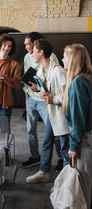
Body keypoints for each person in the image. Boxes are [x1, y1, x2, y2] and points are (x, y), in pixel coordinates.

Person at [26, 38, 70, 183]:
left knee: (64, 150)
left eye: (34, 51)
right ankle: (44, 172)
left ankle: (65, 183)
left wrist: (53, 99)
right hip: (52, 114)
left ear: (41, 52)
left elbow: (67, 96)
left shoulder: (59, 71)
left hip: (62, 117)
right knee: (46, 143)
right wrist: (38, 90)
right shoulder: (39, 72)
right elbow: (46, 91)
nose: (31, 53)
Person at [22, 32, 63, 170]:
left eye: (28, 44)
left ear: (37, 45)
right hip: (32, 99)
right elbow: (28, 75)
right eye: (25, 44)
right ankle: (35, 157)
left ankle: (62, 159)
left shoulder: (52, 60)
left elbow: (52, 79)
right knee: (30, 130)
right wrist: (27, 91)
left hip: (46, 100)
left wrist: (40, 89)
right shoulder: (27, 57)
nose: (27, 47)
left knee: (54, 132)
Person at [62, 44, 92, 209]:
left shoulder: (78, 83)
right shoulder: (88, 78)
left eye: (65, 57)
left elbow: (79, 119)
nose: (62, 60)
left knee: (84, 188)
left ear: (72, 60)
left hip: (85, 140)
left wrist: (73, 146)